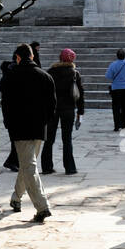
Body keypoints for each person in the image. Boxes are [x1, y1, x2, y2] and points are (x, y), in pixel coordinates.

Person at [0, 42, 56, 222]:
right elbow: (52, 106)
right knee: (28, 165)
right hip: (39, 128)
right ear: (31, 56)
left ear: (17, 57)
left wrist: (9, 124)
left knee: (28, 166)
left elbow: (5, 102)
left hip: (19, 128)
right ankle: (16, 199)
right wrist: (43, 121)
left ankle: (42, 207)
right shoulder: (45, 76)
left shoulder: (10, 76)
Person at [41, 47, 84, 175]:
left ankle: (47, 167)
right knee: (67, 139)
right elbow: (80, 94)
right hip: (68, 110)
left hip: (52, 109)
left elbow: (45, 93)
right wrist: (80, 111)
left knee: (49, 139)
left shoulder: (50, 72)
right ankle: (70, 168)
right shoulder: (75, 74)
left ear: (60, 58)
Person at [105, 48, 125, 131]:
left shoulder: (112, 65)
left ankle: (116, 125)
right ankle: (124, 124)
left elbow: (108, 76)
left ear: (117, 56)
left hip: (116, 89)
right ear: (124, 56)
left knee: (116, 107)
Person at [0, 55, 20, 170]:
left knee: (15, 139)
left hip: (9, 110)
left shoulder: (8, 73)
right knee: (16, 139)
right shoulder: (12, 74)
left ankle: (13, 161)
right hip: (13, 111)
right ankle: (12, 161)